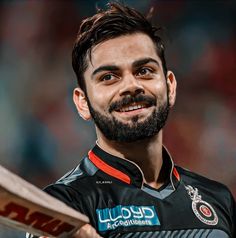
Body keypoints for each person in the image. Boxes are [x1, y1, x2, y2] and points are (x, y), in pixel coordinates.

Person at [27, 2, 235, 238]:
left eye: (144, 70)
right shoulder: (64, 206)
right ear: (82, 102)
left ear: (170, 86)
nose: (131, 86)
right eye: (108, 77)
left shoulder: (218, 199)